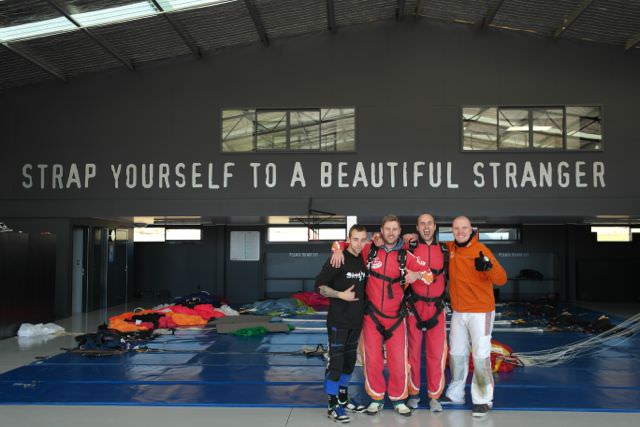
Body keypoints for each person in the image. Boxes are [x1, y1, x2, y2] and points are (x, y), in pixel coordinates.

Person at [330, 215, 432, 417]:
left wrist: (417, 275)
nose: (391, 233)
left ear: (399, 231)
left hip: (396, 318)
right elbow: (339, 242)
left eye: (395, 229)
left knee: (398, 361)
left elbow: (429, 275)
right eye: (387, 229)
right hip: (372, 317)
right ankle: (376, 398)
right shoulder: (369, 249)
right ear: (382, 231)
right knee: (372, 360)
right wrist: (338, 249)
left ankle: (398, 399)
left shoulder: (406, 256)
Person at [438, 216, 507, 417]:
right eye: (456, 228)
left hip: (480, 311)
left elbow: (502, 279)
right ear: (452, 230)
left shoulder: (482, 250)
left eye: (464, 228)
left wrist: (489, 267)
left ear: (471, 229)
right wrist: (409, 238)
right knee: (457, 354)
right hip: (459, 311)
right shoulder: (450, 248)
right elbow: (430, 246)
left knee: (480, 356)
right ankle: (455, 394)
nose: (460, 231)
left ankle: (483, 399)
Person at [316, 224, 369, 422]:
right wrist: (340, 295)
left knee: (349, 363)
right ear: (349, 238)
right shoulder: (337, 259)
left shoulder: (362, 260)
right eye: (355, 239)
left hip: (356, 322)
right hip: (338, 320)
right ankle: (332, 405)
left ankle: (343, 399)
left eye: (363, 239)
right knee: (336, 364)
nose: (359, 243)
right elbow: (320, 286)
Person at [402, 213, 448, 413]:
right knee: (413, 354)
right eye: (422, 224)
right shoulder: (408, 247)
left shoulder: (446, 249)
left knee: (436, 354)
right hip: (414, 307)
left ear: (435, 226)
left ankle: (434, 395)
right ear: (417, 227)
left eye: (429, 223)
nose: (426, 227)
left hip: (436, 309)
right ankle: (413, 393)